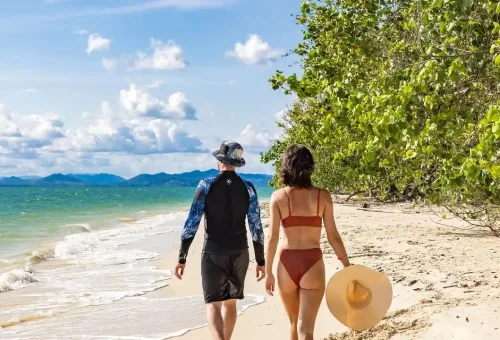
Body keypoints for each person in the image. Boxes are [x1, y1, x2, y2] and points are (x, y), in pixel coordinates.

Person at [175, 140, 266, 340]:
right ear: (236, 163)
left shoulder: (206, 185)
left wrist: (182, 257)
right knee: (231, 302)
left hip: (213, 252)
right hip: (239, 251)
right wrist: (261, 261)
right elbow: (256, 226)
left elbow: (192, 222)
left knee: (213, 304)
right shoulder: (248, 188)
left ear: (219, 161)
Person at [264, 145, 351, 340]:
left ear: (286, 167)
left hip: (286, 263)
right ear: (310, 167)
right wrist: (346, 265)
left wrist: (269, 272)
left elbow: (272, 238)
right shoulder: (323, 196)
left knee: (294, 323)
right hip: (312, 262)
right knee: (306, 329)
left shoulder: (278, 197)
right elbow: (333, 236)